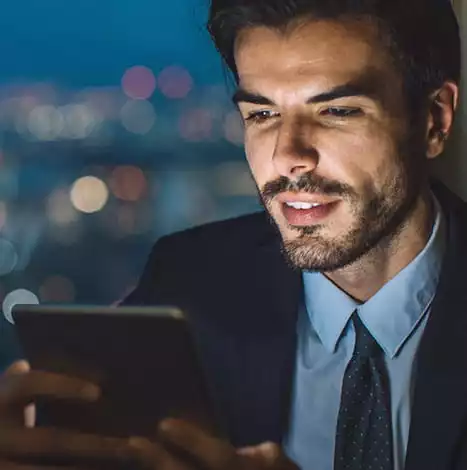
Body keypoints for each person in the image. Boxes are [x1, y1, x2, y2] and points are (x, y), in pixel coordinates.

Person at [0, 0, 464, 468]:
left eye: (336, 111)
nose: (287, 156)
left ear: (434, 120)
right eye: (262, 116)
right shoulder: (185, 285)